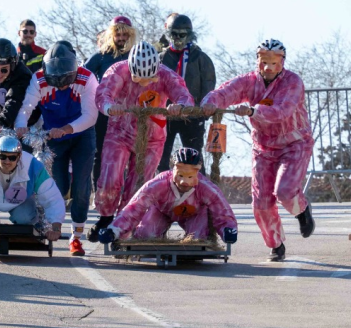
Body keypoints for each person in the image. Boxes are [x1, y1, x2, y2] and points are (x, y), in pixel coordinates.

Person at [201, 40, 315, 261]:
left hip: (294, 143)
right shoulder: (249, 81)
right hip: (263, 147)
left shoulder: (293, 82)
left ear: (282, 62)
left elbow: (282, 111)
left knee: (285, 191)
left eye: (273, 63)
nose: (268, 68)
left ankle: (302, 210)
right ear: (258, 61)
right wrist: (209, 102)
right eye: (263, 62)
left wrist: (253, 111)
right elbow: (225, 92)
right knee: (261, 202)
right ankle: (276, 244)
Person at [89, 41, 194, 241]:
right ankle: (105, 216)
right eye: (138, 78)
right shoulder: (117, 71)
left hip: (152, 139)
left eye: (150, 78)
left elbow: (185, 96)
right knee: (110, 178)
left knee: (138, 185)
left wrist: (179, 106)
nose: (144, 82)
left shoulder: (167, 75)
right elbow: (103, 93)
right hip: (119, 132)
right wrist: (109, 106)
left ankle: (123, 225)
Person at [16, 41, 97, 255]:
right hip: (53, 136)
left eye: (65, 79)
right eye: (56, 79)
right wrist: (20, 127)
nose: (60, 84)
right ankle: (50, 226)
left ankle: (76, 236)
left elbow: (91, 115)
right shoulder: (39, 79)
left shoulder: (87, 78)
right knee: (57, 185)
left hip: (81, 134)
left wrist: (68, 129)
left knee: (80, 187)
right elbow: (26, 107)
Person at [98, 148, 238, 245]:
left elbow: (221, 210)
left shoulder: (206, 188)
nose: (185, 182)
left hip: (194, 214)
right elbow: (135, 207)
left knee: (198, 239)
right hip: (161, 211)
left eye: (190, 176)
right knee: (146, 236)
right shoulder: (157, 185)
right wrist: (114, 230)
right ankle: (154, 234)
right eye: (181, 175)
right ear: (173, 170)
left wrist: (228, 229)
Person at [157, 13, 216, 172]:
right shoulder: (160, 58)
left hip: (192, 115)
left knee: (194, 160)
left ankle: (199, 194)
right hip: (165, 116)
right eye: (174, 34)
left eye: (182, 35)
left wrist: (203, 111)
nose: (178, 38)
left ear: (189, 35)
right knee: (159, 160)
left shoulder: (201, 59)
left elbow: (209, 87)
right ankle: (160, 193)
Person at [85, 15, 136, 189]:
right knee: (99, 151)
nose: (121, 39)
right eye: (118, 35)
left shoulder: (134, 56)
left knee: (126, 152)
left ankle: (122, 189)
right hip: (103, 110)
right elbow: (84, 76)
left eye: (125, 35)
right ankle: (98, 188)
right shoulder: (101, 56)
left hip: (128, 111)